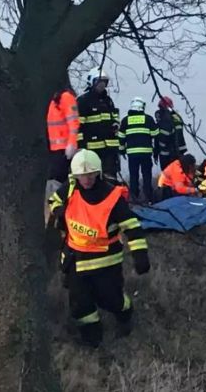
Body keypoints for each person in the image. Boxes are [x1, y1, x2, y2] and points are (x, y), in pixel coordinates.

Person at [48, 149, 150, 348]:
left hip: (106, 262)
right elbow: (54, 200)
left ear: (98, 173)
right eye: (81, 175)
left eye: (90, 174)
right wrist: (58, 211)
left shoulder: (112, 197)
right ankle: (92, 338)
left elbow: (132, 227)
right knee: (80, 304)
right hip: (75, 259)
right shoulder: (70, 188)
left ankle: (125, 313)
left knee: (111, 300)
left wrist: (140, 255)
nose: (86, 179)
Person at [77, 69, 121, 182]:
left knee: (111, 178)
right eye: (99, 82)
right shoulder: (83, 101)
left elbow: (114, 117)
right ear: (92, 82)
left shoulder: (108, 101)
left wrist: (116, 124)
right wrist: (81, 146)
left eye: (104, 82)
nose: (102, 85)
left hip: (110, 149)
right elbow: (77, 126)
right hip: (92, 149)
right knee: (94, 178)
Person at [118, 97, 158, 203]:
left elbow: (121, 138)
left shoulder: (125, 120)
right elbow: (155, 134)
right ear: (142, 107)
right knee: (147, 176)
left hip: (132, 154)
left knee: (133, 176)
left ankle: (134, 197)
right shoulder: (148, 119)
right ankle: (149, 198)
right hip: (146, 153)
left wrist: (122, 151)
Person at [47, 87, 80, 183]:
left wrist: (71, 144)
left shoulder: (66, 98)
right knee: (57, 179)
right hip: (58, 149)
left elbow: (74, 123)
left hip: (63, 150)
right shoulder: (57, 100)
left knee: (58, 180)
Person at [155, 96, 187, 170]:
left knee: (168, 173)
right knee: (178, 171)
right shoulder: (176, 116)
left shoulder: (165, 118)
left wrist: (158, 148)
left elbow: (162, 134)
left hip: (167, 151)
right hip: (179, 150)